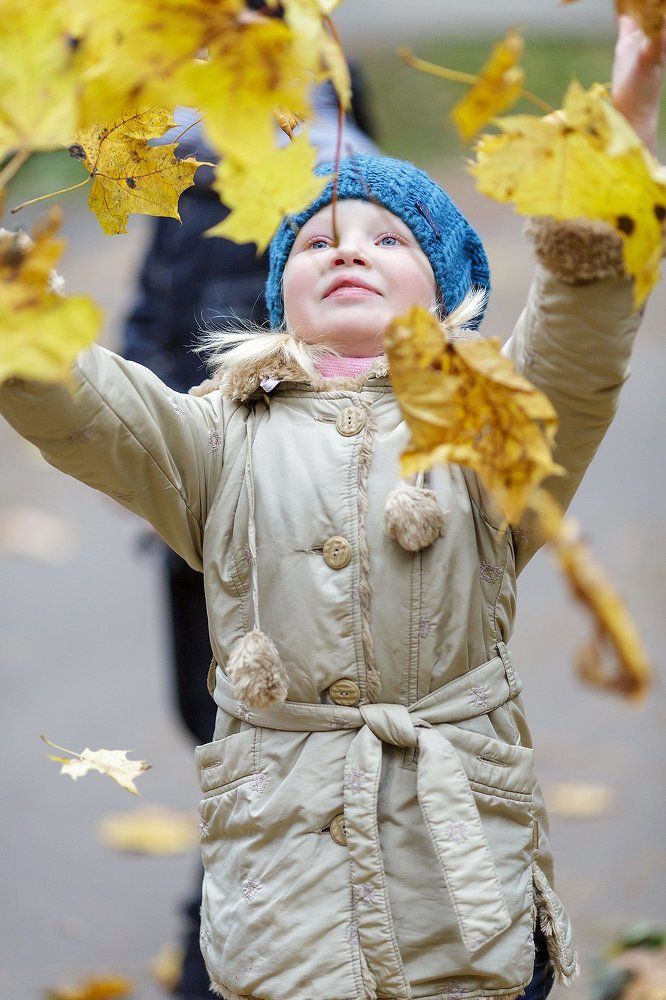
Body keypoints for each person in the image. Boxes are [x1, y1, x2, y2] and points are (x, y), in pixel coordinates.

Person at [1, 14, 662, 999]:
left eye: (389, 239)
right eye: (315, 240)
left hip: (459, 886)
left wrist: (624, 117)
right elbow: (94, 406)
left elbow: (581, 331)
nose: (347, 250)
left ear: (445, 294)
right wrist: (18, 301)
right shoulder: (219, 438)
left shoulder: (493, 432)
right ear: (282, 294)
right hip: (283, 898)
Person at [121, 71, 378, 999]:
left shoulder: (345, 162)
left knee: (291, 731)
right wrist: (157, 439)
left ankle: (223, 940)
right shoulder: (179, 165)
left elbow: (384, 306)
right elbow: (146, 320)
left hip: (311, 514)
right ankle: (235, 906)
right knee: (212, 720)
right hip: (193, 505)